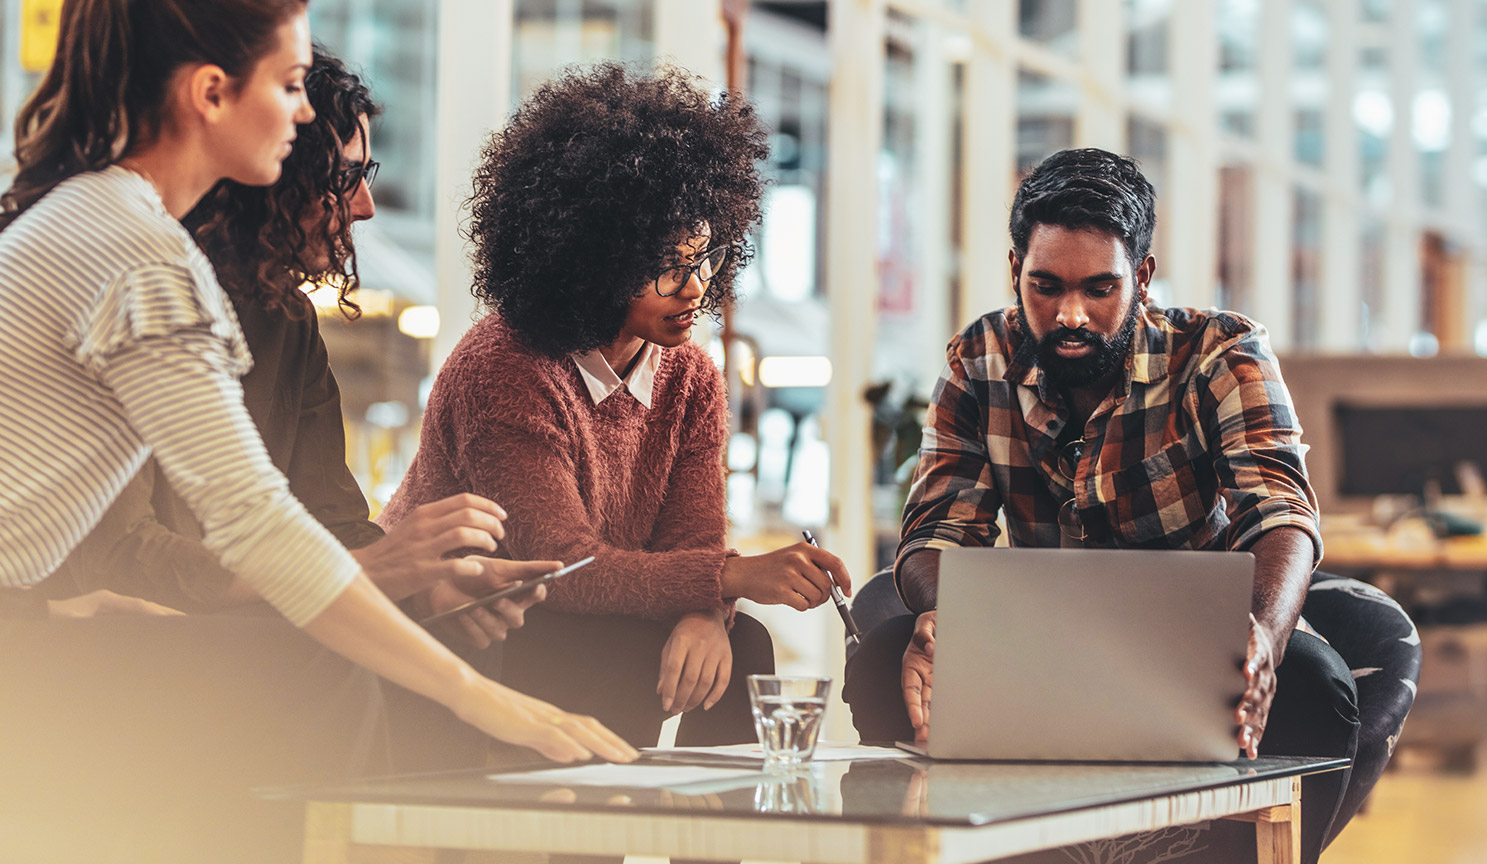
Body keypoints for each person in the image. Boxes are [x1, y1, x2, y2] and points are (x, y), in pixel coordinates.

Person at [0, 0, 633, 775]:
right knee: (322, 671)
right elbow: (256, 524)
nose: (302, 113)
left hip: (29, 629)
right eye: (292, 83)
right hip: (26, 650)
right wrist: (476, 696)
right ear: (210, 93)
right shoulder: (140, 261)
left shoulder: (99, 217)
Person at [841, 148, 1359, 864]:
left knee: (1313, 683)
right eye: (1045, 286)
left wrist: (1263, 639)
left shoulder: (1220, 352)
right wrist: (946, 618)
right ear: (1014, 267)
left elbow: (1280, 515)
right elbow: (937, 529)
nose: (1070, 315)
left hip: (1191, 648)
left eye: (1099, 289)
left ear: (1141, 277)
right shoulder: (978, 359)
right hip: (1033, 642)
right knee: (882, 663)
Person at [382, 63, 852, 750]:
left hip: (577, 622)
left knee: (739, 647)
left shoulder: (689, 376)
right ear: (593, 259)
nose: (696, 289)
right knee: (599, 651)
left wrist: (705, 612)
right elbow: (562, 567)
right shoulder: (506, 367)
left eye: (707, 259)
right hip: (473, 630)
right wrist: (734, 576)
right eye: (668, 266)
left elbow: (690, 544)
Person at [43, 47, 536, 654]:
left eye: (366, 174)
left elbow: (330, 520)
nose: (365, 206)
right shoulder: (122, 296)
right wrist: (359, 575)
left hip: (230, 651)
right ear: (269, 173)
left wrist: (430, 586)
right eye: (344, 178)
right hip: (100, 657)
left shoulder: (288, 318)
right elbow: (120, 555)